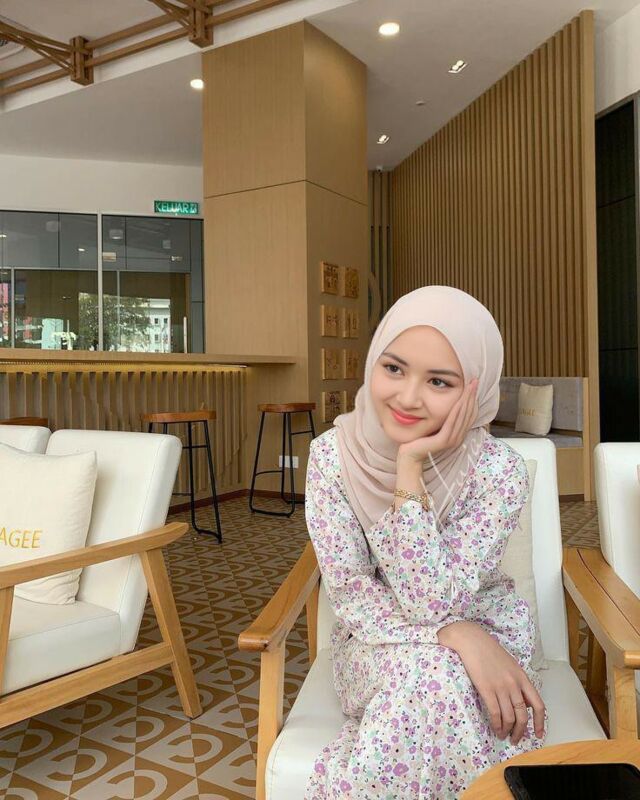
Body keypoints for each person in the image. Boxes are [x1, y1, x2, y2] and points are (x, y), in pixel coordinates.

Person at [304, 286, 546, 800]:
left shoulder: (498, 471)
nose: (408, 397)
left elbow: (435, 600)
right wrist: (454, 637)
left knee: (435, 676)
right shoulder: (331, 458)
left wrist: (408, 469)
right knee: (434, 671)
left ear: (476, 390)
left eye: (439, 381)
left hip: (488, 634)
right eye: (393, 368)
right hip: (376, 642)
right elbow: (353, 594)